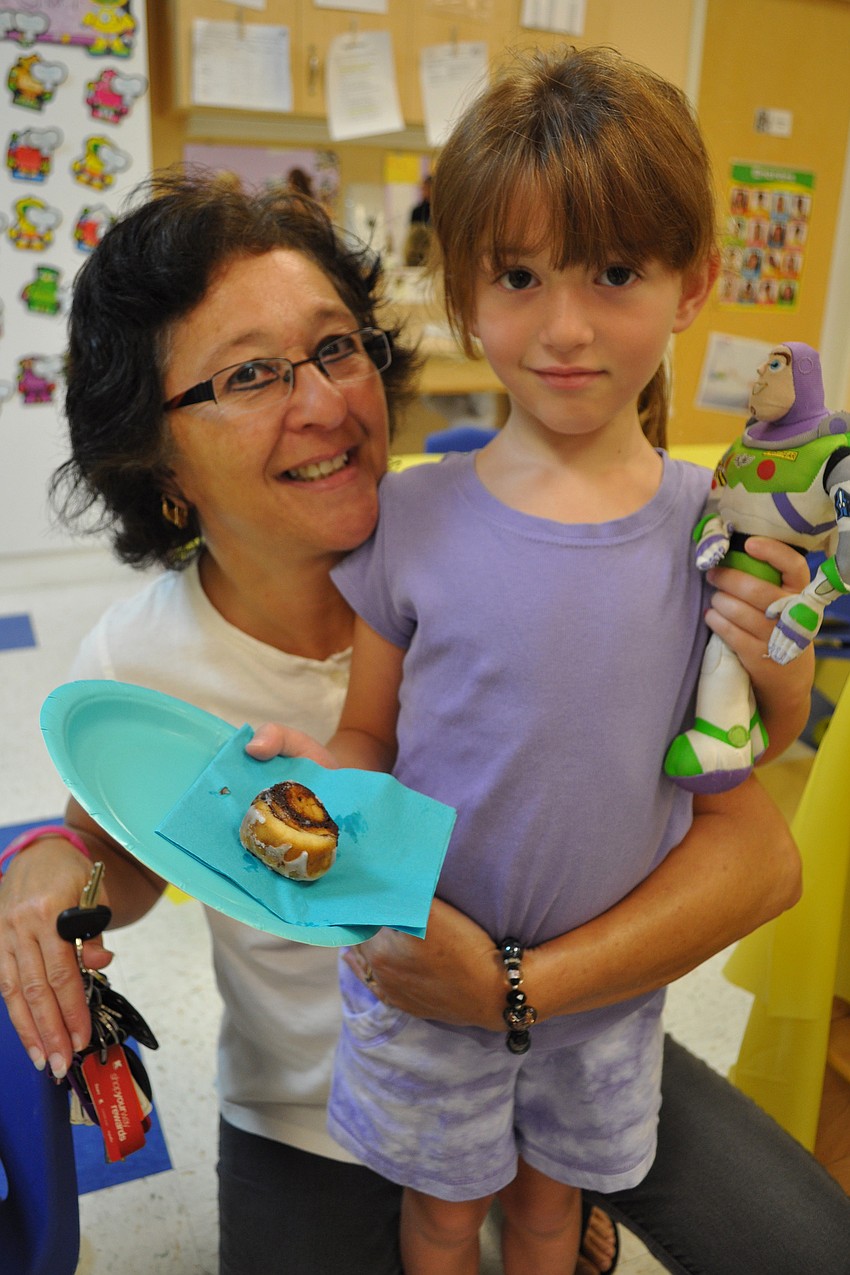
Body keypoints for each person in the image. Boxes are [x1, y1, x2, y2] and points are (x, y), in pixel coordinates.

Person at [0, 169, 848, 1275]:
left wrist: (519, 992)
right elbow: (132, 845)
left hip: (574, 1014)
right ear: (153, 459)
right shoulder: (143, 655)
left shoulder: (497, 553)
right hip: (307, 1106)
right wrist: (52, 860)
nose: (324, 402)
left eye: (336, 347)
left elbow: (756, 850)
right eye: (249, 374)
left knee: (807, 1246)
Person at [246, 47, 828, 1275]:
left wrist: (778, 674)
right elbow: (370, 734)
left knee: (556, 1215)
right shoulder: (410, 516)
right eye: (518, 275)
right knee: (443, 1215)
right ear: (464, 293)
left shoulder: (713, 522)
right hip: (423, 965)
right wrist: (325, 777)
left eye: (615, 272)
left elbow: (743, 750)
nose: (565, 327)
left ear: (692, 283)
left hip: (608, 991)